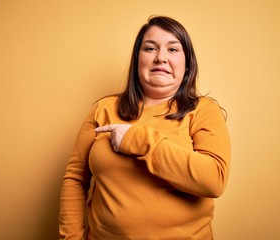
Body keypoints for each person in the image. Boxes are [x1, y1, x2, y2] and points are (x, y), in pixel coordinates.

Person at [59, 16, 231, 240]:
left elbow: (213, 181)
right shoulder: (104, 108)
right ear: (137, 60)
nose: (161, 57)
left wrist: (137, 139)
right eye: (150, 48)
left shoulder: (203, 111)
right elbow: (75, 179)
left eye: (173, 49)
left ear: (187, 64)